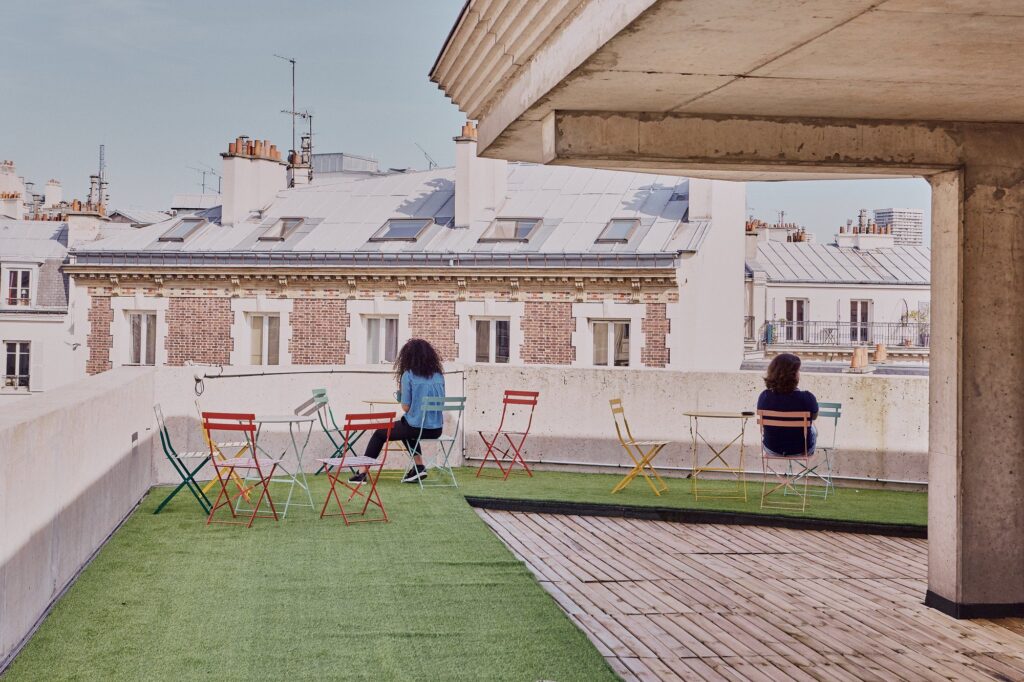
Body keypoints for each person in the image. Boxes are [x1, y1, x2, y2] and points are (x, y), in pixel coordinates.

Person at [352, 338, 446, 484]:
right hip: (436, 428)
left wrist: (401, 393)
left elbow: (405, 407)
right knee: (404, 428)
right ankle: (419, 467)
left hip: (416, 427)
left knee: (379, 433)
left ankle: (361, 473)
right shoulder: (438, 375)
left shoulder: (408, 375)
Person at [756, 353, 818, 456]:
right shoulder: (807, 397)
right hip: (801, 450)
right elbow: (814, 417)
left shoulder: (764, 396)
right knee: (812, 426)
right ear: (793, 375)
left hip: (772, 449)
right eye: (798, 371)